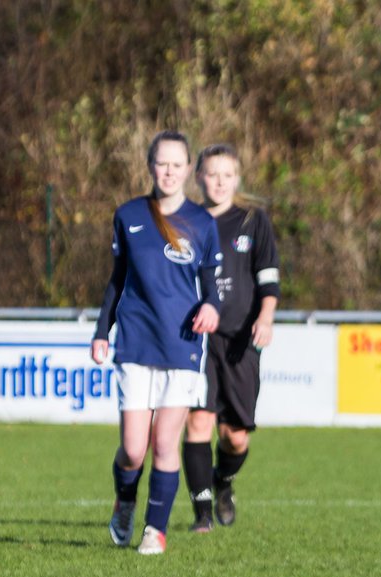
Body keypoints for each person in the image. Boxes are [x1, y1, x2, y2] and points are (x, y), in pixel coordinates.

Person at [92, 130, 222, 555]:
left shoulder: (202, 223)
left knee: (166, 442)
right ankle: (125, 503)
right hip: (134, 342)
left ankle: (155, 531)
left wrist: (213, 308)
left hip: (182, 345)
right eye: (160, 163)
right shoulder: (128, 214)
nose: (168, 171)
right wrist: (100, 332)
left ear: (188, 170)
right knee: (133, 450)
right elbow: (117, 281)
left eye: (176, 164)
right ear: (150, 166)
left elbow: (211, 284)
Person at [182, 144, 281, 532]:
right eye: (212, 173)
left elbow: (268, 276)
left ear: (237, 179)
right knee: (198, 424)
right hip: (196, 338)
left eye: (227, 175)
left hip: (241, 340)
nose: (219, 182)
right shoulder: (185, 220)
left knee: (235, 437)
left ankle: (223, 480)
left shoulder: (252, 220)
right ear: (199, 177)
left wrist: (266, 317)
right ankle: (202, 515)